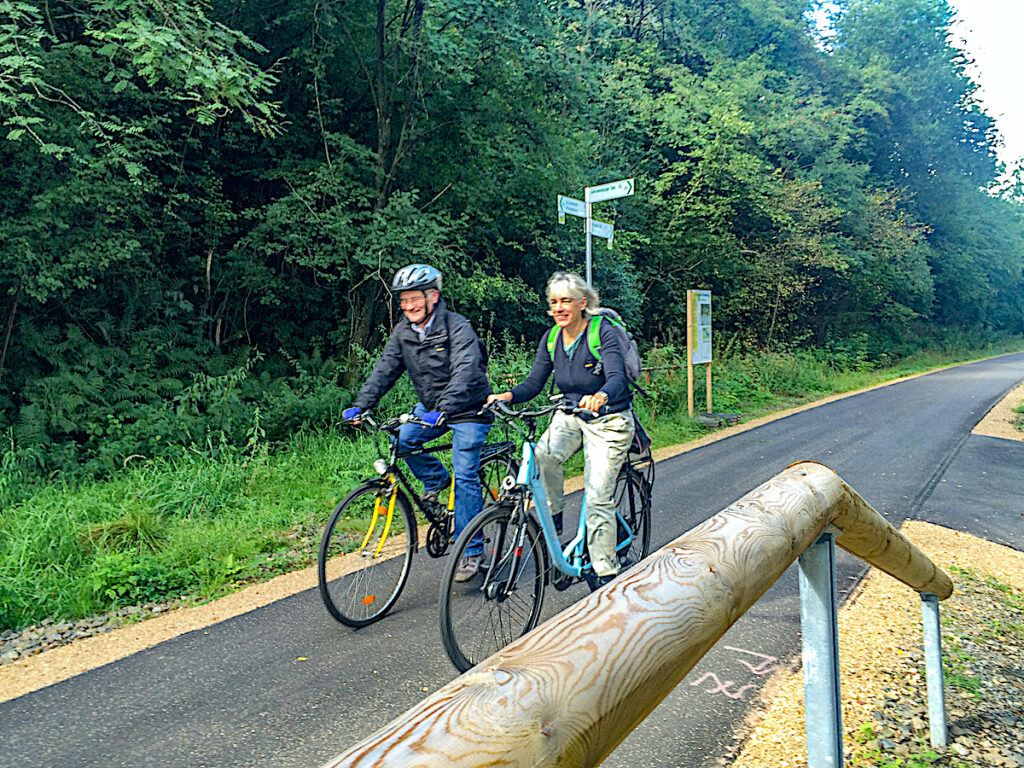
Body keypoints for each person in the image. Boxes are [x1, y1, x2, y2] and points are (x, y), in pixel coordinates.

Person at [342, 264, 493, 582]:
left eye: (414, 299)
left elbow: (466, 370)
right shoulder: (403, 333)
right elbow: (385, 370)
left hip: (469, 409)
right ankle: (437, 481)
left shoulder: (457, 327)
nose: (408, 306)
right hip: (432, 408)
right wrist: (361, 406)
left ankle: (471, 550)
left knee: (465, 472)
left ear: (432, 296)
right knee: (403, 440)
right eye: (404, 300)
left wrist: (446, 408)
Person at [487, 271, 635, 590]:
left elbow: (616, 376)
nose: (559, 308)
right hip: (570, 415)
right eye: (554, 302)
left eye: (566, 301)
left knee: (596, 495)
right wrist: (508, 396)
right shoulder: (552, 338)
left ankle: (605, 573)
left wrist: (601, 396)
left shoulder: (601, 332)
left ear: (583, 302)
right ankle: (554, 520)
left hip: (609, 420)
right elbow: (534, 383)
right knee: (541, 457)